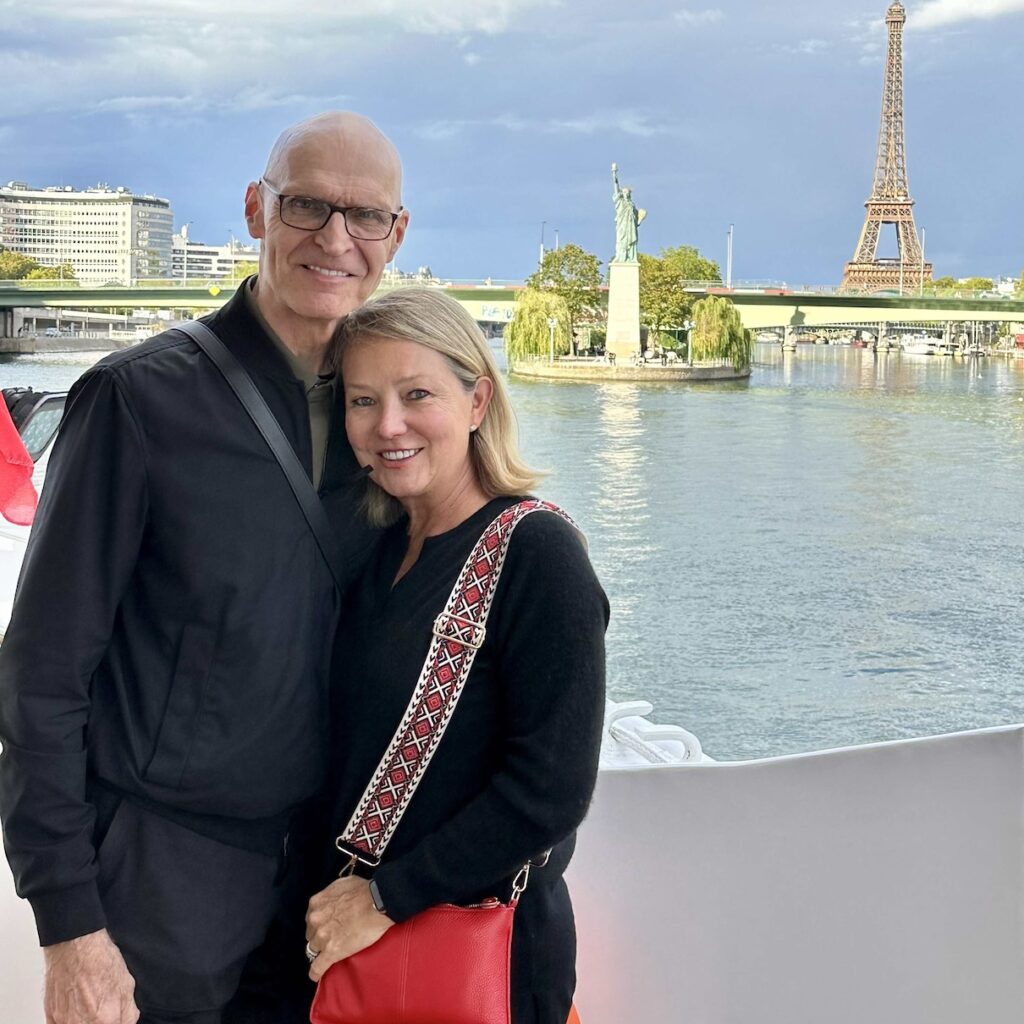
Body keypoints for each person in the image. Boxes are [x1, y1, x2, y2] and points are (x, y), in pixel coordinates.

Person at [0, 111, 408, 1024]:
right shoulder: (138, 401)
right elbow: (41, 676)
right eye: (307, 206)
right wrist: (70, 925)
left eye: (365, 216)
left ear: (398, 234)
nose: (336, 239)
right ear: (258, 209)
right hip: (161, 876)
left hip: (327, 888)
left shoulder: (392, 420)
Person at [303, 287, 608, 1024]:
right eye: (363, 400)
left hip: (477, 961)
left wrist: (383, 897)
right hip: (351, 951)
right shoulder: (376, 553)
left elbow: (551, 790)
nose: (388, 425)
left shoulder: (536, 552)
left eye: (417, 395)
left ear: (478, 401)